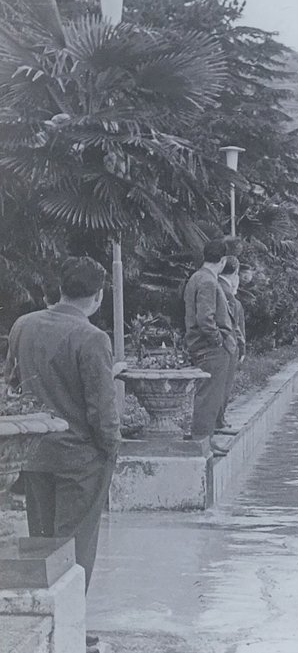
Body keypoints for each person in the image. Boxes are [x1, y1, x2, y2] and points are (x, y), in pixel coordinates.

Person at [4, 257, 120, 651]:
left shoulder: (24, 325)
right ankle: (69, 624)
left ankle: (48, 618)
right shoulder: (92, 338)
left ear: (60, 288)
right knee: (75, 545)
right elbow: (102, 410)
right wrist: (111, 450)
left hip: (33, 453)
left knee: (42, 541)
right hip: (80, 459)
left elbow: (12, 387)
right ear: (99, 295)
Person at [183, 239, 237, 441]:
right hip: (210, 348)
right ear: (222, 261)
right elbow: (206, 318)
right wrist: (218, 340)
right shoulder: (207, 281)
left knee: (209, 396)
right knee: (209, 396)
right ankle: (202, 442)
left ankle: (206, 441)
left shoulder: (197, 277)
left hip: (205, 345)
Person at [216, 256, 245, 434]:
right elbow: (234, 326)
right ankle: (219, 421)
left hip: (223, 343)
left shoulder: (218, 286)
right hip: (227, 345)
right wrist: (241, 348)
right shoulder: (226, 292)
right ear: (235, 273)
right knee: (223, 385)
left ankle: (219, 420)